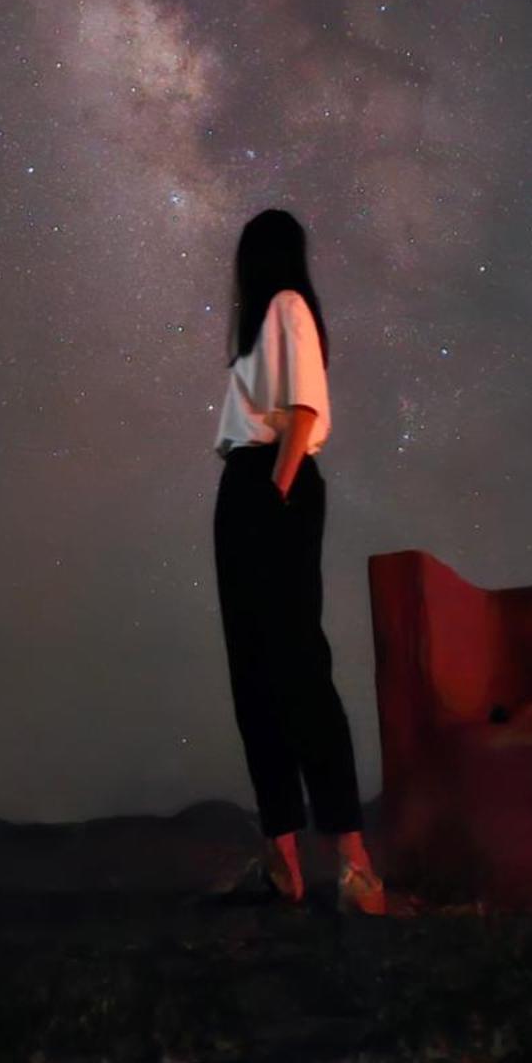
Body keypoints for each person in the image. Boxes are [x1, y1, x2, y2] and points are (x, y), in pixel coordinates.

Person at [213, 207, 386, 914]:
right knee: (253, 675)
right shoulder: (259, 330)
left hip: (269, 485)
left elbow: (304, 414)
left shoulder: (286, 306)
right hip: (248, 485)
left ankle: (354, 865)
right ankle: (282, 864)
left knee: (298, 672)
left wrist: (276, 498)